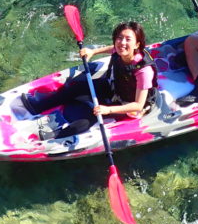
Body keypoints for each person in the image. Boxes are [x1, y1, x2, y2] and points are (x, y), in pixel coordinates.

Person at [20, 21, 157, 140]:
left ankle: (59, 136)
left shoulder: (143, 71)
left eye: (128, 39)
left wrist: (107, 110)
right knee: (77, 87)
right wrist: (93, 52)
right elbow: (114, 49)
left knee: (90, 113)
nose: (122, 43)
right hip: (114, 88)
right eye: (119, 38)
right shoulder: (121, 49)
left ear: (137, 44)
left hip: (129, 106)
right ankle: (38, 106)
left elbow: (138, 105)